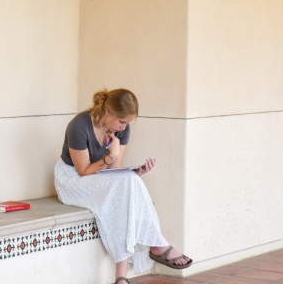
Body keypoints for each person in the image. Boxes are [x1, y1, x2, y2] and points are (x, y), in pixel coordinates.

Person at [54, 88, 192, 284]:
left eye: (126, 123)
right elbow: (84, 171)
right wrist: (111, 154)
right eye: (121, 122)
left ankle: (121, 278)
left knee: (129, 182)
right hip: (72, 180)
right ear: (108, 112)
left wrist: (136, 173)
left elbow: (114, 172)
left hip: (98, 177)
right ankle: (157, 246)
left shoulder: (122, 129)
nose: (123, 127)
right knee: (126, 186)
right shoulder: (79, 126)